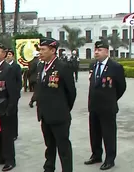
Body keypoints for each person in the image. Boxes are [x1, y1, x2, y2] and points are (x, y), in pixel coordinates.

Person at [85, 40, 126, 171]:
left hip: (108, 107)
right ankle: (96, 155)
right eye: (95, 50)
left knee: (108, 134)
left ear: (107, 51)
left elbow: (121, 87)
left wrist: (112, 99)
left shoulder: (115, 67)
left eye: (100, 50)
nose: (96, 52)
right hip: (94, 106)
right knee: (94, 133)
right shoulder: (93, 65)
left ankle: (110, 159)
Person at [36, 37, 76, 172]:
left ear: (53, 50)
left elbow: (71, 93)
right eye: (39, 49)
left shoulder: (62, 67)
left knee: (63, 147)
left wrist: (63, 109)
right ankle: (49, 168)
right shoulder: (41, 66)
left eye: (43, 49)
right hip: (45, 115)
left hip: (59, 116)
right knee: (49, 146)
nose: (40, 52)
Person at [0, 43, 18, 171]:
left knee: (7, 136)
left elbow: (13, 92)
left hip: (5, 107)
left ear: (4, 54)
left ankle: (10, 160)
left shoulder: (8, 69)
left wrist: (10, 108)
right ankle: (0, 156)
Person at [5, 48, 22, 141]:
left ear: (13, 56)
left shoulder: (16, 67)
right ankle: (8, 132)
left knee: (13, 114)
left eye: (10, 54)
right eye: (7, 54)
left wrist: (16, 92)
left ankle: (14, 133)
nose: (8, 56)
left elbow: (19, 81)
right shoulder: (4, 66)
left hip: (14, 94)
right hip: (6, 94)